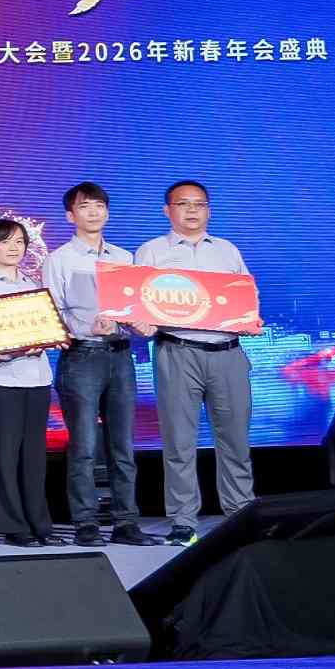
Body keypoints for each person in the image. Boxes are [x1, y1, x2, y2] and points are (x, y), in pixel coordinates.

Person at [140, 179, 255, 545]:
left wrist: (251, 319)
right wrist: (138, 322)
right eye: (183, 203)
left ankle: (241, 512)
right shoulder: (151, 251)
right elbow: (139, 303)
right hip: (178, 351)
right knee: (179, 441)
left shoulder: (226, 250)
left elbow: (245, 295)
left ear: (209, 210)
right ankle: (183, 520)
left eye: (199, 203)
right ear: (167, 210)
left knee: (235, 440)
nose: (192, 210)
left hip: (228, 352)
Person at [44, 182, 146, 547]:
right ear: (70, 215)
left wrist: (138, 323)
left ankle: (126, 521)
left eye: (100, 205)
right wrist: (84, 327)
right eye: (85, 206)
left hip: (120, 354)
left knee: (123, 446)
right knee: (84, 446)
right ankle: (85, 522)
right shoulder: (59, 260)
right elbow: (51, 311)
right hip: (82, 356)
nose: (93, 212)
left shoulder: (124, 257)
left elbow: (136, 307)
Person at [0, 218, 57, 547]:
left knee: (35, 455)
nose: (14, 248)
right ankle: (13, 525)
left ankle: (40, 523)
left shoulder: (34, 283)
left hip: (37, 377)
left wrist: (50, 337)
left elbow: (46, 326)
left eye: (19, 242)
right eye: (5, 241)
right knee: (6, 453)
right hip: (0, 378)